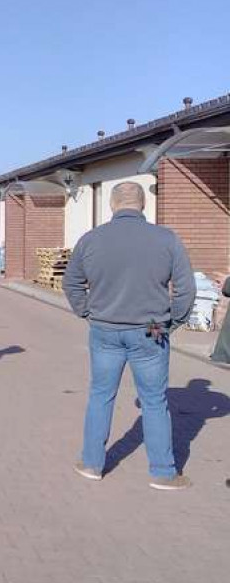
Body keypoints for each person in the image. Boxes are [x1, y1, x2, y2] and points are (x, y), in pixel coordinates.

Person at [63, 181, 196, 490]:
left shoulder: (91, 240)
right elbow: (186, 289)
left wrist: (87, 312)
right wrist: (170, 323)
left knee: (100, 395)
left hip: (105, 327)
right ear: (143, 205)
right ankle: (163, 472)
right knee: (154, 400)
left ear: (112, 204)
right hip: (151, 328)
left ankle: (93, 463)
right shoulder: (166, 239)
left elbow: (71, 284)